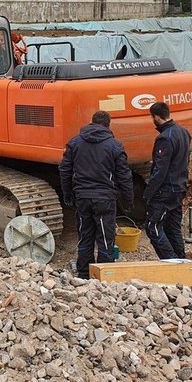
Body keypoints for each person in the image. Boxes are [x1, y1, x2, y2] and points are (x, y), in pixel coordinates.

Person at [59, 111, 134, 279]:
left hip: (83, 197)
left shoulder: (75, 143)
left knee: (85, 236)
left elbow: (64, 170)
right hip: (105, 199)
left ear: (91, 122)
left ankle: (84, 275)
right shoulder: (115, 145)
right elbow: (124, 175)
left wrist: (68, 194)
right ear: (108, 125)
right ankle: (104, 275)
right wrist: (128, 201)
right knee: (105, 240)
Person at [143, 102, 192, 260]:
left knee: (152, 226)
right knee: (172, 228)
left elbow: (160, 170)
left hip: (166, 190)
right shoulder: (184, 133)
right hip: (179, 187)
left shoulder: (165, 138)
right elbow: (186, 160)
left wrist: (148, 193)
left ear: (156, 117)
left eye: (152, 118)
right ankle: (181, 260)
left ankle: (170, 260)